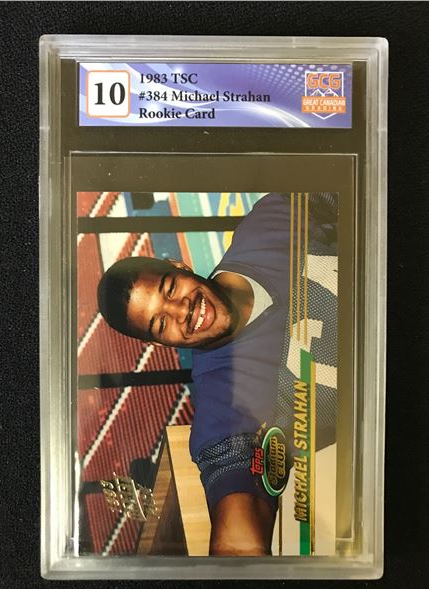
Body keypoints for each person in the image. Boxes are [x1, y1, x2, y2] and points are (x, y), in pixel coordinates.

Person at [97, 192, 338, 555]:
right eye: (161, 324)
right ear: (159, 343)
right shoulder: (223, 403)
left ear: (178, 265)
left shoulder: (269, 223)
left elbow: (351, 190)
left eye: (170, 289)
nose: (182, 311)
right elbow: (238, 535)